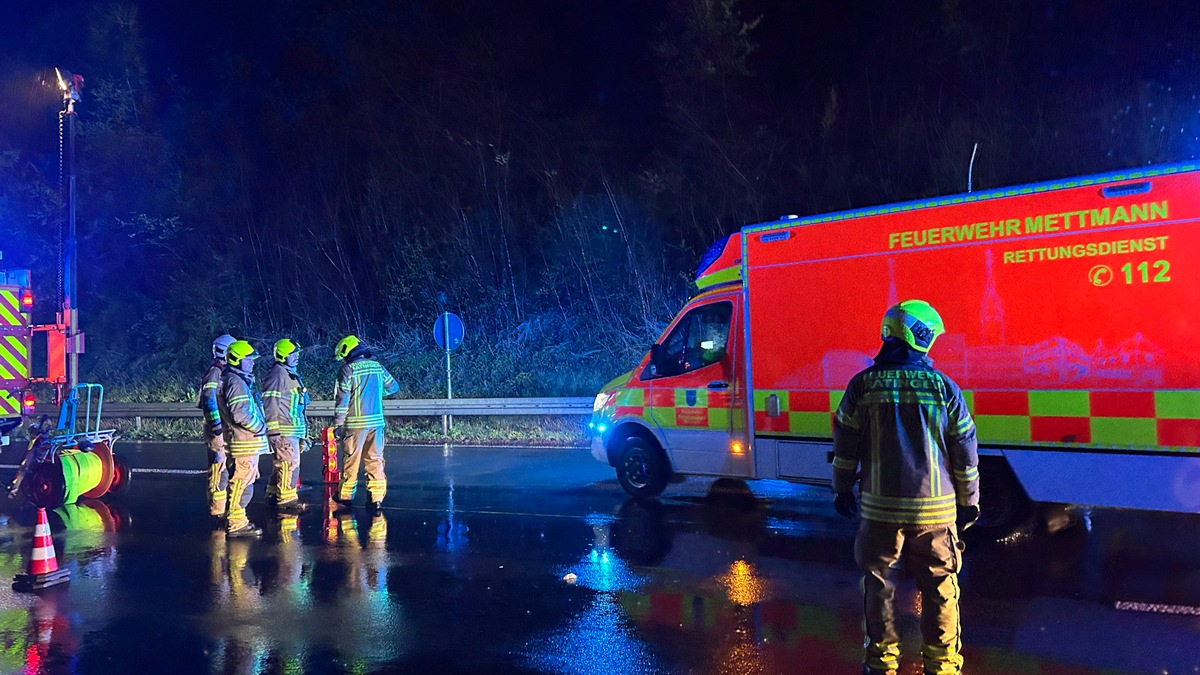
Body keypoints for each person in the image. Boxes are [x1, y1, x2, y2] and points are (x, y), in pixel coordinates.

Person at [831, 300, 980, 675]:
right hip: (936, 513)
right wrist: (970, 502)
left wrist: (842, 490)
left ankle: (881, 663)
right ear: (922, 337)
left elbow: (845, 447)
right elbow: (964, 450)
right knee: (940, 590)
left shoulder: (862, 386)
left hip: (878, 511)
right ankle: (943, 665)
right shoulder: (943, 387)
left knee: (878, 587)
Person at [331, 335, 399, 511]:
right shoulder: (378, 367)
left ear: (347, 352)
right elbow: (393, 387)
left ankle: (345, 496)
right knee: (375, 460)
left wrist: (338, 425)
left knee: (351, 460)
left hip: (355, 425)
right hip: (377, 423)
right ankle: (376, 498)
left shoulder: (348, 370)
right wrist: (375, 393)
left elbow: (342, 401)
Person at [217, 340, 270, 538]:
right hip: (244, 442)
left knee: (242, 482)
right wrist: (261, 427)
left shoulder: (233, 380)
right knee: (242, 483)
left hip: (241, 441)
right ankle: (237, 523)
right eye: (248, 359)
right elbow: (241, 414)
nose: (252, 363)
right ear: (237, 360)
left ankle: (237, 519)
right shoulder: (236, 382)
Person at [262, 338, 310, 514]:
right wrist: (273, 430)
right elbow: (270, 402)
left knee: (281, 465)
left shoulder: (289, 374)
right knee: (289, 464)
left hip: (291, 428)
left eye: (297, 353)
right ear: (282, 356)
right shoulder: (278, 374)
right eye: (293, 353)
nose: (296, 356)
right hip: (284, 429)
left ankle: (273, 495)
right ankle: (287, 500)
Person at [198, 334, 236, 521]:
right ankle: (217, 510)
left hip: (223, 427)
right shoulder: (216, 372)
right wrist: (217, 427)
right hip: (217, 428)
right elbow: (209, 400)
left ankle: (222, 506)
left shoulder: (223, 370)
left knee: (225, 467)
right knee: (218, 468)